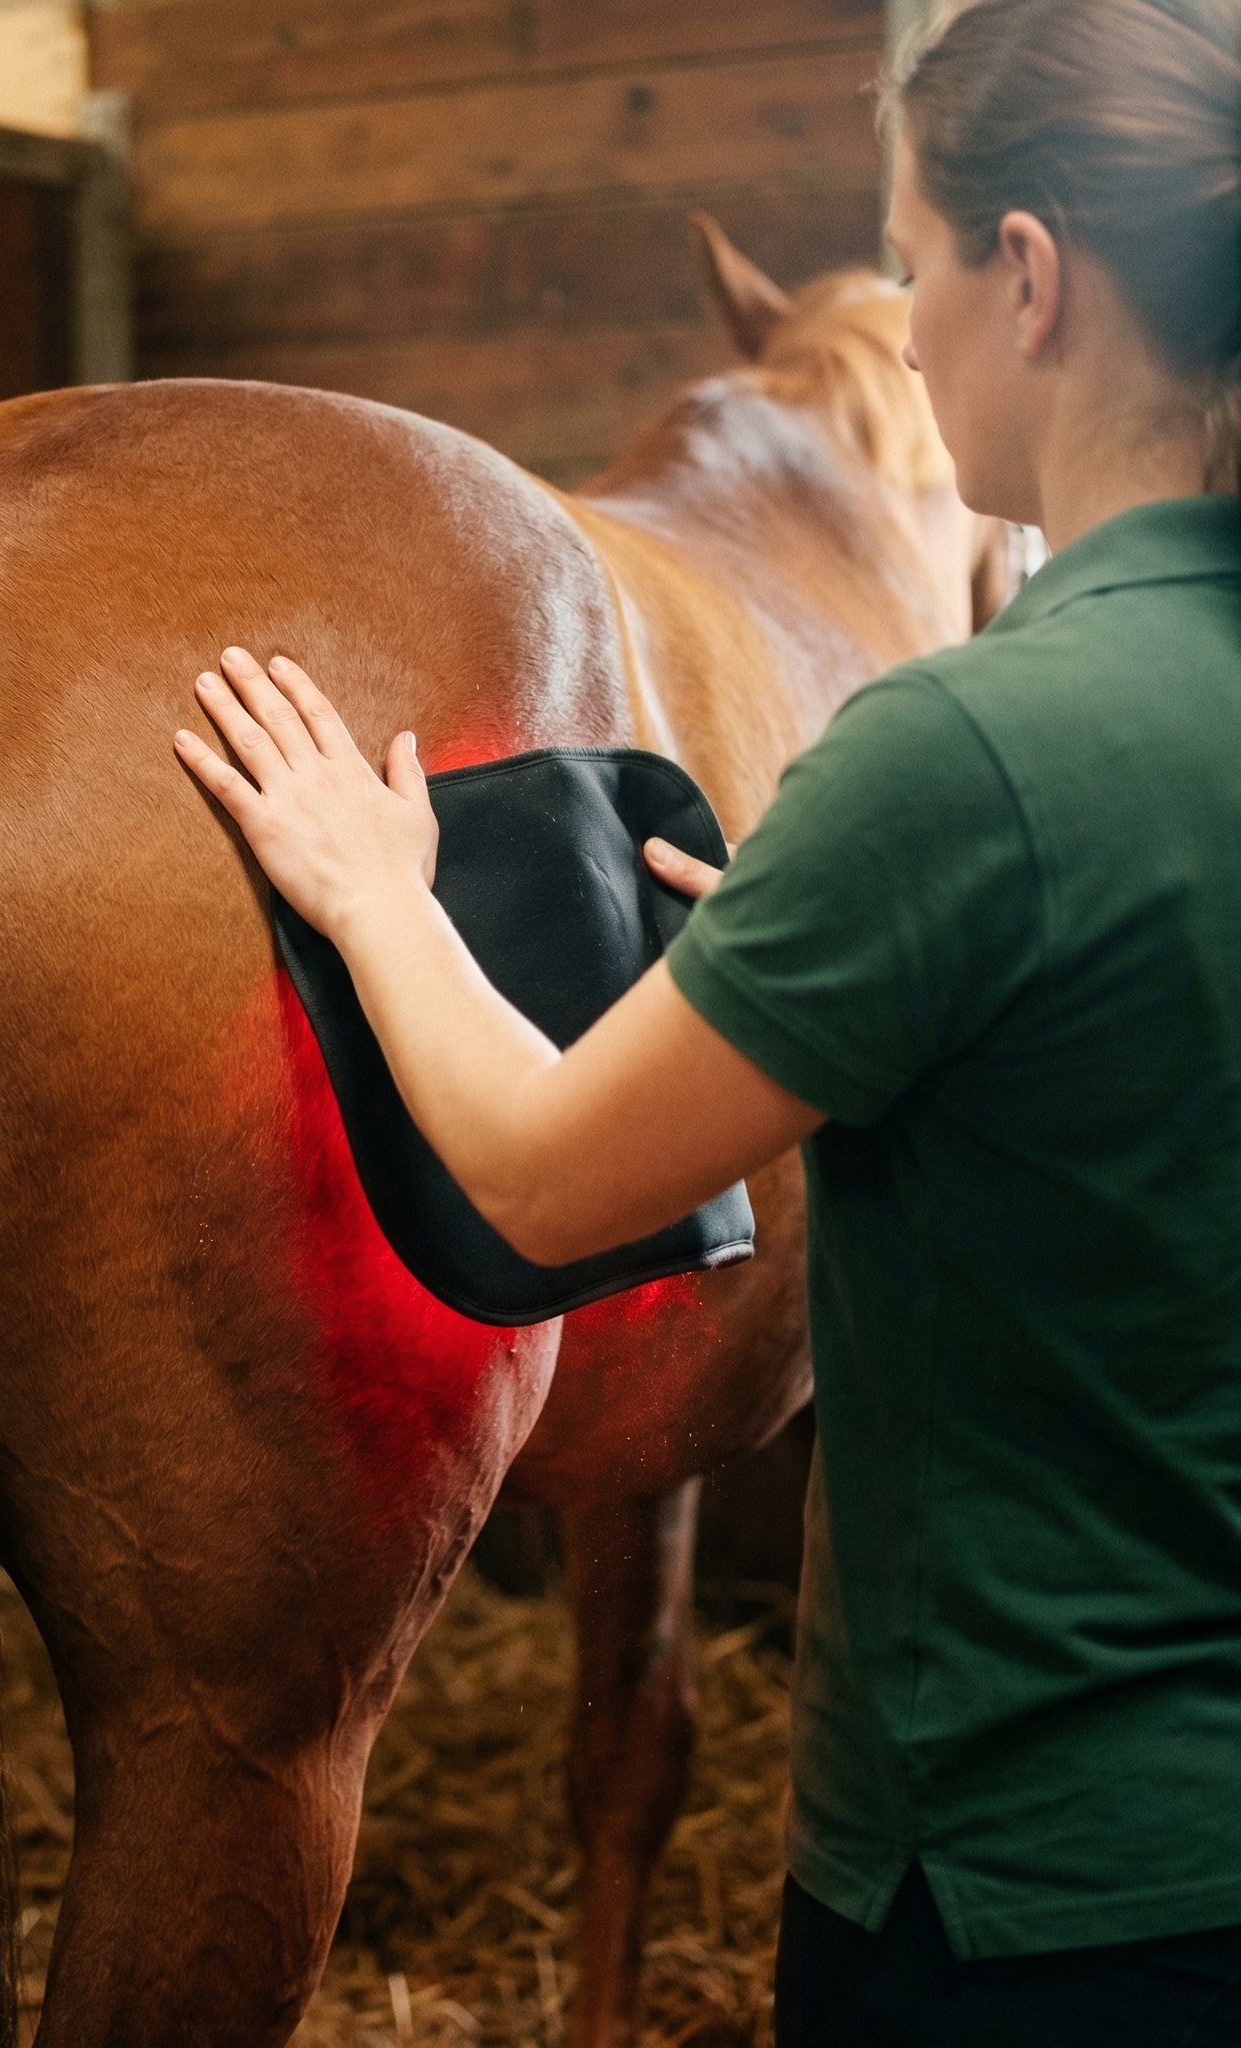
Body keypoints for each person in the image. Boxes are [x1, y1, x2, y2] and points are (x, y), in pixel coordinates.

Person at [172, 0, 1241, 2040]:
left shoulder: (958, 757)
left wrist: (377, 898)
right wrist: (846, 953)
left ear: (1029, 278)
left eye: (916, 268)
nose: (907, 340)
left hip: (1015, 1888)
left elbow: (542, 1177)